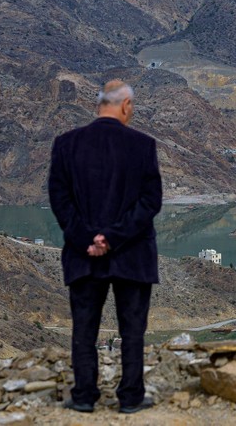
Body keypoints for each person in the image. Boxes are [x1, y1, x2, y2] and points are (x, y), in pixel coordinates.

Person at [48, 80, 162, 414]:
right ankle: (131, 398)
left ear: (100, 104)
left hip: (83, 256)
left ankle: (84, 396)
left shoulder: (66, 144)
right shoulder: (143, 145)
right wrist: (113, 237)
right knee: (133, 329)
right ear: (125, 105)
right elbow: (150, 201)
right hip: (132, 255)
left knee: (84, 328)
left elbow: (60, 199)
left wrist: (88, 239)